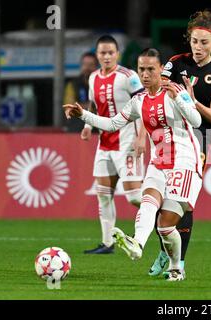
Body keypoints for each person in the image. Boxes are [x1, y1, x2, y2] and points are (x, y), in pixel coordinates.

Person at [63, 48, 203, 281]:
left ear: (161, 70)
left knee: (166, 225)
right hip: (159, 163)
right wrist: (83, 116)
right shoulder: (138, 101)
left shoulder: (175, 90)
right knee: (147, 202)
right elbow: (111, 124)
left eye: (151, 69)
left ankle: (177, 268)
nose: (146, 74)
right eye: (142, 69)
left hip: (185, 162)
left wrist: (178, 97)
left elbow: (196, 121)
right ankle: (137, 244)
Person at [149, 9, 211, 278]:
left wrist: (190, 99)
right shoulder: (176, 62)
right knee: (154, 200)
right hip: (167, 138)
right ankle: (166, 250)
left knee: (182, 202)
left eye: (204, 42)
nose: (198, 47)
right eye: (195, 41)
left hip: (197, 142)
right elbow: (156, 91)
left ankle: (179, 264)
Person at [82, 35, 146, 254]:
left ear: (117, 54)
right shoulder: (92, 78)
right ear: (97, 55)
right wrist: (89, 126)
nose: (107, 56)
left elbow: (144, 104)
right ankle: (107, 243)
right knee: (103, 194)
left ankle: (162, 213)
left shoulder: (129, 76)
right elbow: (92, 104)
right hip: (104, 145)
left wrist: (141, 137)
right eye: (102, 53)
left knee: (135, 197)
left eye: (111, 52)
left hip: (127, 142)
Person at [63, 52, 99, 132]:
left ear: (96, 67)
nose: (87, 68)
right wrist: (92, 105)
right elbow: (69, 107)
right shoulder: (72, 84)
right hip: (76, 131)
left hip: (97, 132)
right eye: (85, 64)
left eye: (91, 65)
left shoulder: (103, 85)